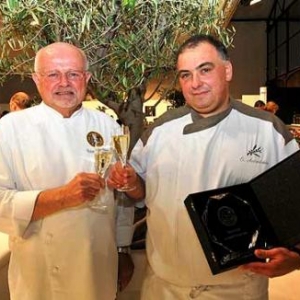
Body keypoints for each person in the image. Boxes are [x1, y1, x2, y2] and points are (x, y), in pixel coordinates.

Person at [107, 34, 300, 300]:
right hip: (166, 287)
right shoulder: (160, 130)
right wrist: (130, 183)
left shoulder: (268, 130)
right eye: (185, 75)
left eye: (205, 70)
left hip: (238, 289)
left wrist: (297, 257)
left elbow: (294, 202)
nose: (195, 84)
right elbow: (139, 193)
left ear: (228, 70)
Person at [0, 42, 134, 300]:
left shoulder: (108, 126)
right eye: (53, 74)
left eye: (73, 74)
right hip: (38, 270)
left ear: (86, 78)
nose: (64, 83)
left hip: (97, 265)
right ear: (36, 80)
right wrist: (63, 196)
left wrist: (122, 249)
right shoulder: (9, 129)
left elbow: (121, 198)